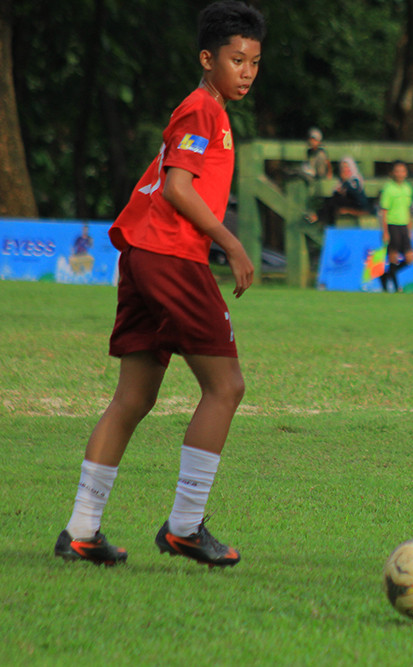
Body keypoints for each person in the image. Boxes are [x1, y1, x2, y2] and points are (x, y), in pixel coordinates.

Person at [53, 0, 265, 567]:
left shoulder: (206, 110)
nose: (246, 71)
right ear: (207, 58)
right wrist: (232, 241)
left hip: (143, 256)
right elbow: (176, 187)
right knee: (227, 387)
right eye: (236, 59)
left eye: (254, 62)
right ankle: (185, 527)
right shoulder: (202, 110)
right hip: (172, 257)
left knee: (135, 395)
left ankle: (81, 529)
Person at [379, 159, 413, 292]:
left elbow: (408, 209)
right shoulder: (389, 188)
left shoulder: (407, 188)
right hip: (392, 225)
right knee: (393, 257)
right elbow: (384, 210)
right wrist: (385, 230)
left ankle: (385, 276)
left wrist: (410, 228)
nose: (400, 174)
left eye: (403, 171)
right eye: (397, 171)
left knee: (410, 258)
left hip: (404, 226)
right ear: (393, 173)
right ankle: (395, 287)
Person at [310, 156, 372, 225]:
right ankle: (321, 219)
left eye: (347, 167)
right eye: (343, 168)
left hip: (359, 206)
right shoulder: (341, 182)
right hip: (347, 204)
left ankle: (318, 216)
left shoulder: (355, 180)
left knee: (335, 202)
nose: (345, 170)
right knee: (332, 202)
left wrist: (346, 184)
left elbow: (356, 195)